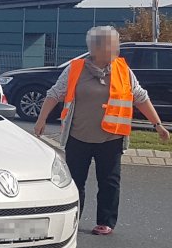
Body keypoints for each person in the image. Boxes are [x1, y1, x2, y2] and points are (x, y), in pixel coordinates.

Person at [34, 26, 169, 235]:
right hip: (78, 135)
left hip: (111, 137)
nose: (115, 49)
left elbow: (140, 97)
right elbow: (54, 94)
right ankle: (73, 219)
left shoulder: (123, 70)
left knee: (109, 181)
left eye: (115, 44)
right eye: (109, 44)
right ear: (95, 47)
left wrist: (157, 124)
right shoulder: (75, 69)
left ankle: (106, 221)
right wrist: (41, 119)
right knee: (75, 181)